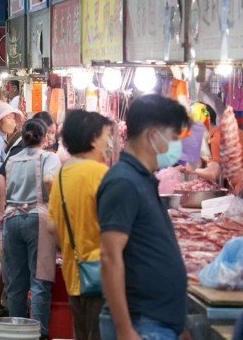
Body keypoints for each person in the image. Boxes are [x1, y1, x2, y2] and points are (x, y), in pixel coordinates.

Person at [98, 94, 190, 340]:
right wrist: (125, 330)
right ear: (153, 136)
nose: (177, 146)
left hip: (156, 324)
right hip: (141, 325)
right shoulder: (123, 181)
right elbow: (109, 256)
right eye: (173, 138)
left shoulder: (142, 179)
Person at [48, 110, 113, 340]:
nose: (108, 143)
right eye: (106, 136)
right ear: (93, 139)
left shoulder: (62, 173)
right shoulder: (101, 173)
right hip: (102, 273)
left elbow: (52, 227)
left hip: (74, 272)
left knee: (82, 332)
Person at [1, 119, 61, 339]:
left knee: (15, 284)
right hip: (37, 218)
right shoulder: (49, 157)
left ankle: (16, 333)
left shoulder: (12, 159)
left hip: (12, 218)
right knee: (39, 282)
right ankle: (38, 334)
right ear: (44, 137)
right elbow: (49, 179)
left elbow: (1, 182)